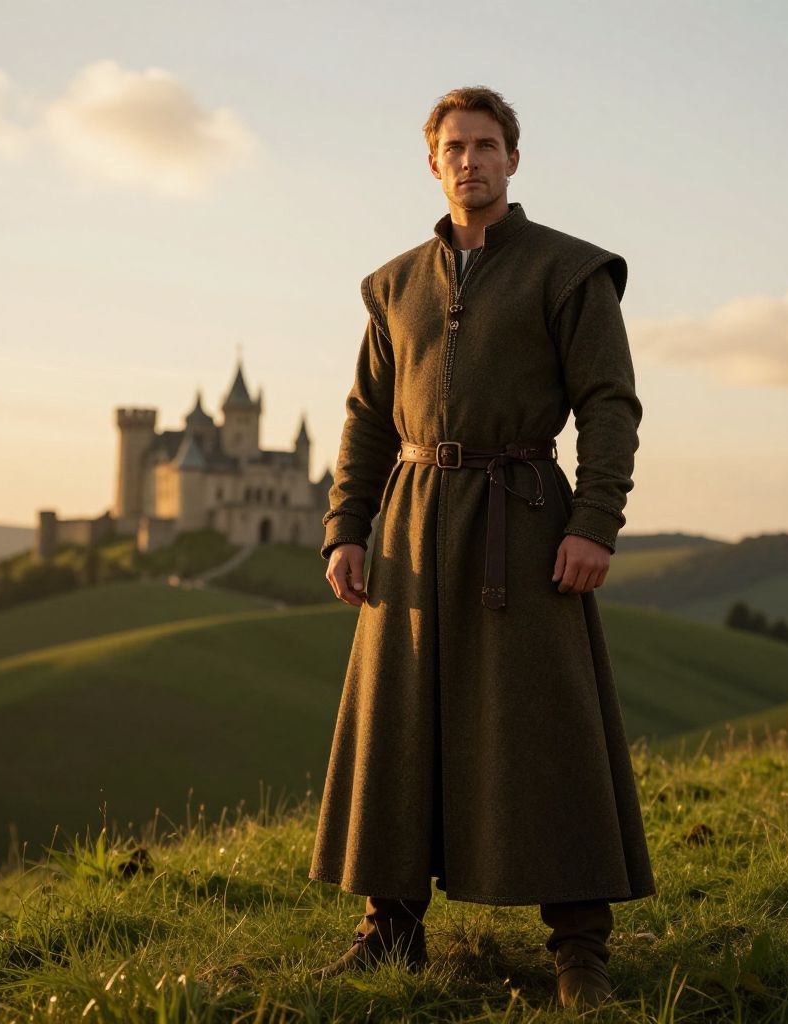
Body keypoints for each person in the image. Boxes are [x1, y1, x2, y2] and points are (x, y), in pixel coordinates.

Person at [308, 85, 656, 1009]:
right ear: (433, 161)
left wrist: (593, 524)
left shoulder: (568, 272)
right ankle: (391, 931)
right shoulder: (394, 285)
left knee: (550, 727)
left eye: (488, 144)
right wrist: (347, 525)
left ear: (513, 159)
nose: (471, 160)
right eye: (455, 146)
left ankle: (579, 948)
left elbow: (610, 408)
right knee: (401, 723)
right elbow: (365, 421)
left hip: (527, 519)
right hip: (415, 523)